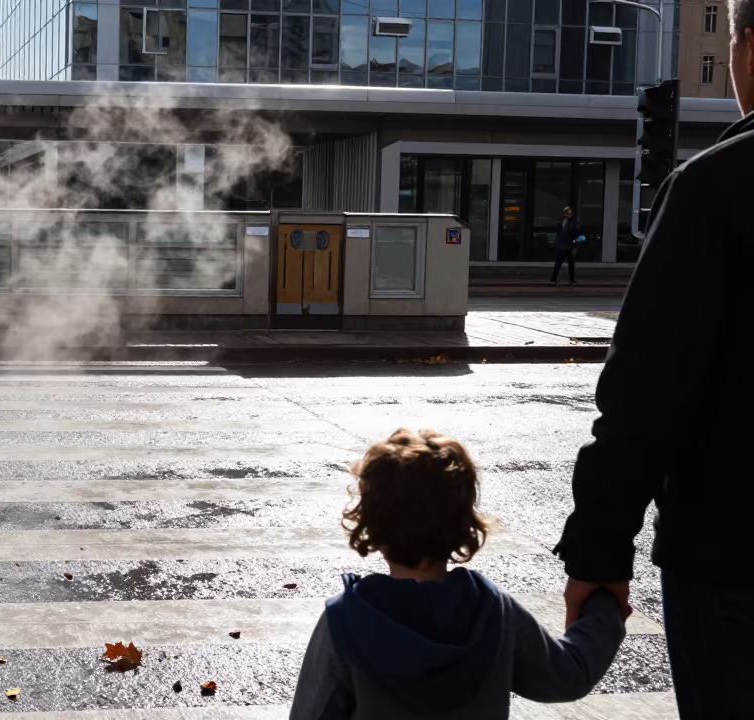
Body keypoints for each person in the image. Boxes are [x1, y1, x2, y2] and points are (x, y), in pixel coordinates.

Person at [556, 3, 754, 717]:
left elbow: (645, 399)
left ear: (749, 50)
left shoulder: (716, 189)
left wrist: (599, 554)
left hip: (733, 560)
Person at [291, 429, 625, 720]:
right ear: (464, 523)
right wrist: (604, 609)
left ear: (371, 526)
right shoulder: (494, 610)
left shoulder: (346, 620)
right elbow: (567, 675)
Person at [549, 206, 579, 286]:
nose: (568, 215)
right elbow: (558, 234)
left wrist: (574, 246)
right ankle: (553, 279)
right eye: (567, 213)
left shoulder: (573, 223)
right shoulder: (560, 222)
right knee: (558, 264)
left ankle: (572, 280)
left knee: (571, 265)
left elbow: (575, 235)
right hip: (561, 246)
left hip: (569, 246)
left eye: (570, 213)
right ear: (564, 214)